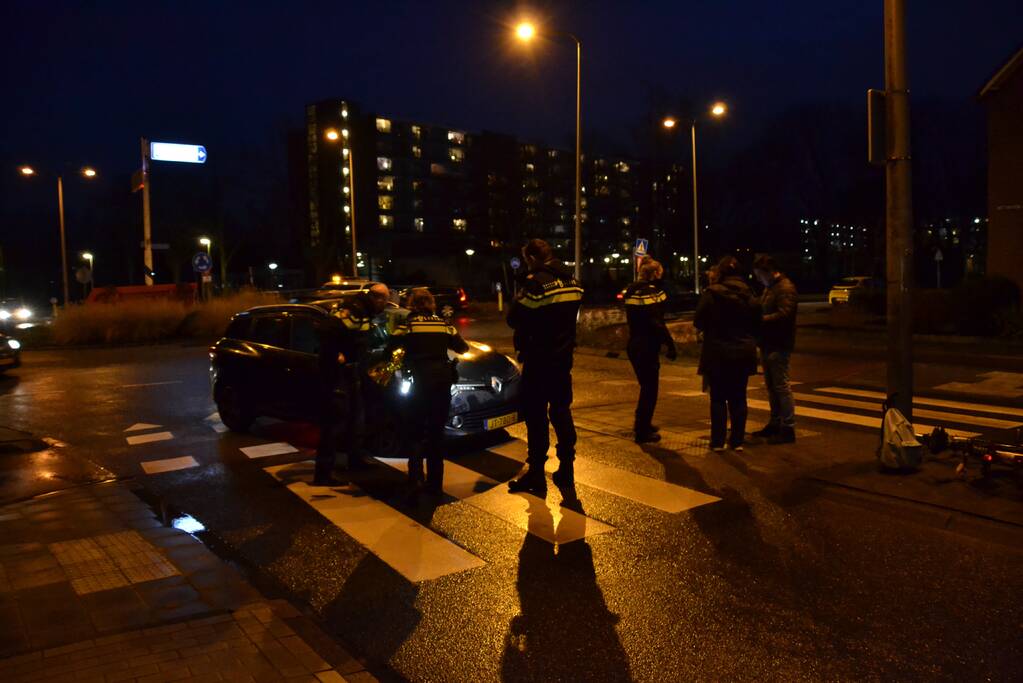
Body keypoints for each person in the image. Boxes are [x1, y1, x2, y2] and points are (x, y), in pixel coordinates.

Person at [506, 238, 584, 496]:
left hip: (539, 360)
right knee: (561, 412)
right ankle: (566, 470)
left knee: (536, 417)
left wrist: (520, 292)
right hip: (562, 361)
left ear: (531, 258)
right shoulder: (572, 282)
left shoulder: (536, 284)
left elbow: (514, 318)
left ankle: (537, 474)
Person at [386, 288, 469, 496]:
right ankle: (435, 484)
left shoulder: (408, 325)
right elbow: (463, 348)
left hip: (419, 382)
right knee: (436, 433)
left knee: (415, 432)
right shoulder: (444, 324)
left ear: (412, 304)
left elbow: (390, 349)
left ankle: (415, 480)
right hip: (442, 381)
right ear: (432, 304)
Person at [313, 283, 391, 485]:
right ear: (377, 298)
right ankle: (323, 473)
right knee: (335, 421)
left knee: (356, 418)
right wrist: (335, 355)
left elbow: (361, 340)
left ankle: (355, 459)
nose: (385, 305)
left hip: (352, 372)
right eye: (385, 301)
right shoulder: (354, 310)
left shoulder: (363, 310)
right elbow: (325, 330)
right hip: (337, 374)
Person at [693, 255, 760, 453]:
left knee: (718, 397)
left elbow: (698, 320)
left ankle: (718, 441)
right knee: (739, 397)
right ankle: (737, 441)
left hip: (717, 351)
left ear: (721, 272)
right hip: (743, 351)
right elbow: (758, 322)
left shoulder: (712, 293)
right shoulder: (750, 294)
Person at [623, 259, 677, 443]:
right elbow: (657, 321)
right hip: (647, 345)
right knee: (650, 389)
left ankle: (643, 423)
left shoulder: (631, 290)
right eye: (659, 272)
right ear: (654, 274)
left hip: (634, 343)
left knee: (646, 386)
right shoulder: (651, 292)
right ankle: (642, 429)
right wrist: (670, 344)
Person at [752, 253, 798, 444]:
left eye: (759, 275)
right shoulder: (770, 287)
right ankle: (775, 422)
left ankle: (788, 427)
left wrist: (761, 320)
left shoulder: (785, 288)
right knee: (772, 387)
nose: (758, 279)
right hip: (768, 342)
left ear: (769, 271)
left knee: (781, 386)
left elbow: (785, 314)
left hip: (779, 343)